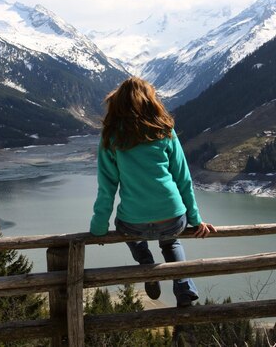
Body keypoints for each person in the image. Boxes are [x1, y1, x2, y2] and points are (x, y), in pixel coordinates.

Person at [89, 77, 216, 307]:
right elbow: (183, 178)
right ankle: (184, 287)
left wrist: (98, 228)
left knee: (123, 227)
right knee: (171, 243)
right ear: (150, 101)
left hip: (133, 223)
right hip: (173, 217)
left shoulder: (111, 136)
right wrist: (196, 221)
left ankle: (147, 266)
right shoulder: (165, 130)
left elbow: (107, 187)